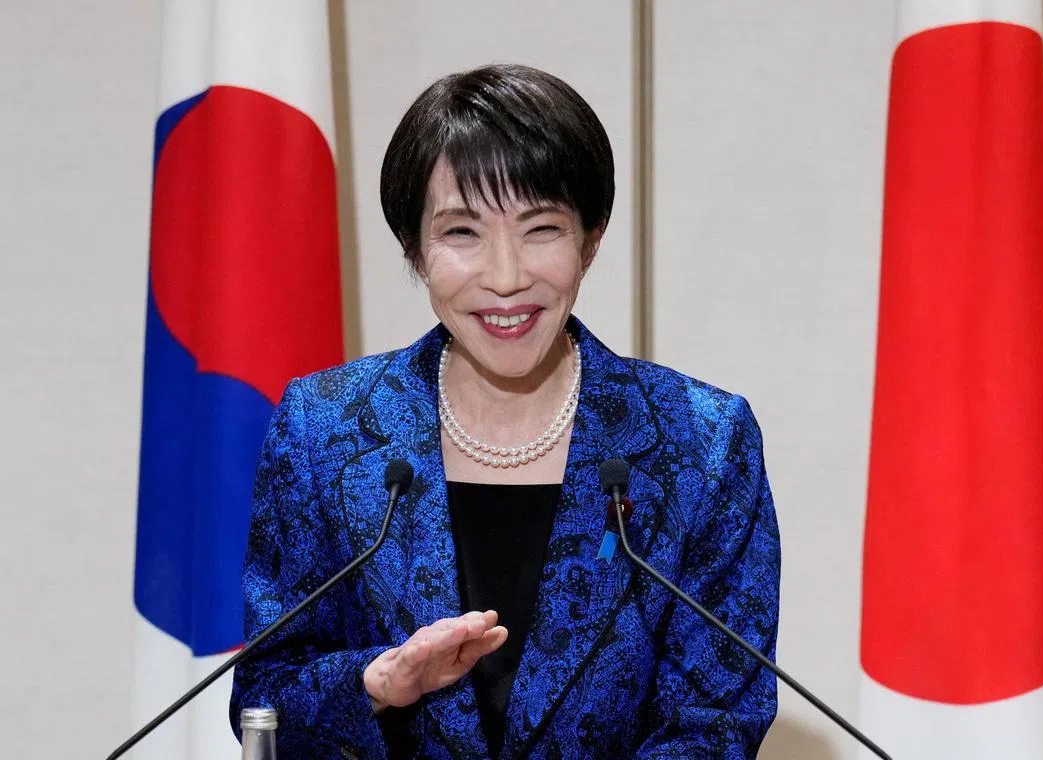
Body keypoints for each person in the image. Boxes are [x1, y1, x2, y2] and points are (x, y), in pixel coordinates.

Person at [230, 63, 780, 759]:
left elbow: (718, 721)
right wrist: (377, 682)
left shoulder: (700, 441)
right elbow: (263, 698)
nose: (506, 276)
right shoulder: (325, 429)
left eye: (541, 228)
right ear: (415, 249)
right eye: (462, 233)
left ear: (592, 239)